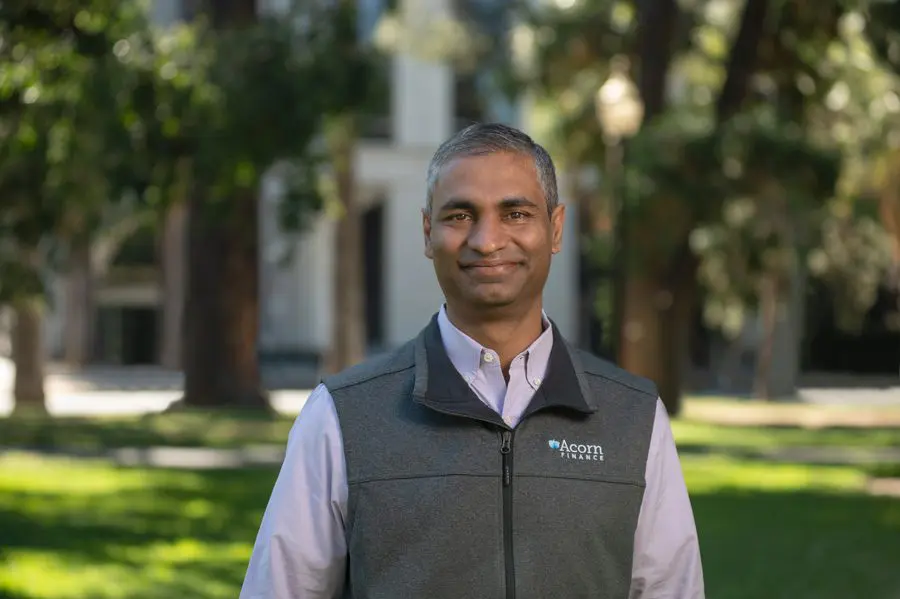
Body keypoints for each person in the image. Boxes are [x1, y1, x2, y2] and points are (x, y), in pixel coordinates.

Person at [239, 123, 704, 598]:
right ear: (427, 232)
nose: (486, 240)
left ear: (556, 227)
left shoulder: (635, 417)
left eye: (516, 213)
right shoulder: (340, 416)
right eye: (460, 216)